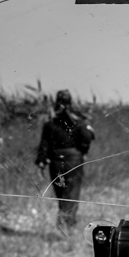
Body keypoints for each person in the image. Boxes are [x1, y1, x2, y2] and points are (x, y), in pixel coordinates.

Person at [36, 89, 95, 229]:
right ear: (70, 102)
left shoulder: (50, 123)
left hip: (56, 161)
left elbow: (44, 145)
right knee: (72, 192)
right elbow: (87, 136)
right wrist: (83, 150)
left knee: (61, 193)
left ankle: (64, 222)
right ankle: (66, 223)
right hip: (74, 160)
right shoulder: (78, 121)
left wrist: (41, 163)